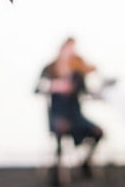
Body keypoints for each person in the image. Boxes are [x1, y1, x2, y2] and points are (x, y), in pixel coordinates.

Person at [36, 38, 103, 185]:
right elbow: (37, 88)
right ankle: (56, 173)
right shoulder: (50, 69)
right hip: (58, 115)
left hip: (76, 116)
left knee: (98, 131)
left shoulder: (77, 71)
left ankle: (85, 163)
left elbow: (85, 91)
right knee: (61, 128)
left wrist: (99, 91)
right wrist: (54, 86)